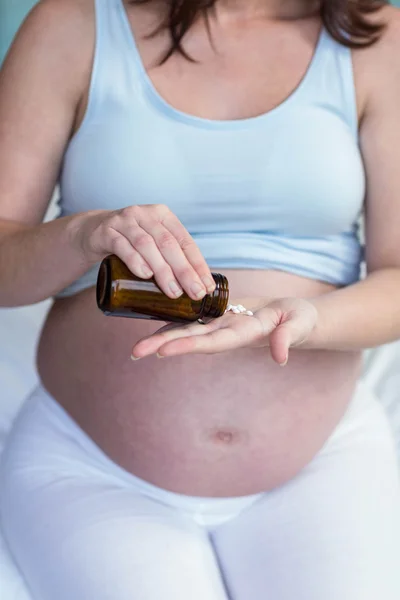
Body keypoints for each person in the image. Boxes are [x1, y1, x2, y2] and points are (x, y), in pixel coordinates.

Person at [0, 0, 399, 598]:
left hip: (324, 462)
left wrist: (309, 320)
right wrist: (83, 234)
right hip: (89, 471)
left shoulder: (379, 39)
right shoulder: (70, 24)